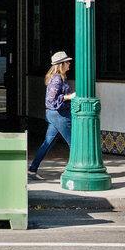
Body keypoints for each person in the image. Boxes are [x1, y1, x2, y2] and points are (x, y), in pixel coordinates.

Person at [28, 50, 75, 178]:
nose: (69, 63)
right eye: (67, 62)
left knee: (47, 143)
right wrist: (69, 96)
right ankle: (74, 171)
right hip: (59, 115)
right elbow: (52, 100)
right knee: (74, 143)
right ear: (61, 64)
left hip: (54, 114)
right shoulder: (57, 79)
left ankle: (32, 169)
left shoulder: (59, 78)